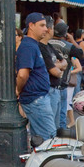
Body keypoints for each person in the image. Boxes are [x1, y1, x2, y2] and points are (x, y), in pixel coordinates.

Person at [16, 13, 57, 141]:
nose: (46, 29)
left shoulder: (33, 45)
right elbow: (22, 74)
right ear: (31, 26)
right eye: (42, 25)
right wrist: (17, 90)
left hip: (38, 99)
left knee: (40, 140)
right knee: (49, 141)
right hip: (36, 100)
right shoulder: (28, 46)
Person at [49, 21, 84, 129]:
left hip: (48, 83)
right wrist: (72, 40)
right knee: (62, 113)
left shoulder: (46, 43)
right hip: (63, 82)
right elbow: (81, 54)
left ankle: (54, 135)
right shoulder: (69, 46)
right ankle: (61, 134)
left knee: (51, 114)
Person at [39, 16, 68, 130]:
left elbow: (64, 62)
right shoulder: (40, 47)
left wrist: (57, 66)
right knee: (49, 126)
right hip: (49, 89)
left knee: (56, 124)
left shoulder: (49, 46)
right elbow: (54, 71)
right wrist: (57, 67)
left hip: (56, 88)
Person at [67, 57, 82, 128]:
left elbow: (79, 68)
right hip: (63, 82)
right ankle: (71, 121)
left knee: (67, 102)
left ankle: (72, 121)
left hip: (69, 82)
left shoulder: (73, 57)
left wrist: (69, 72)